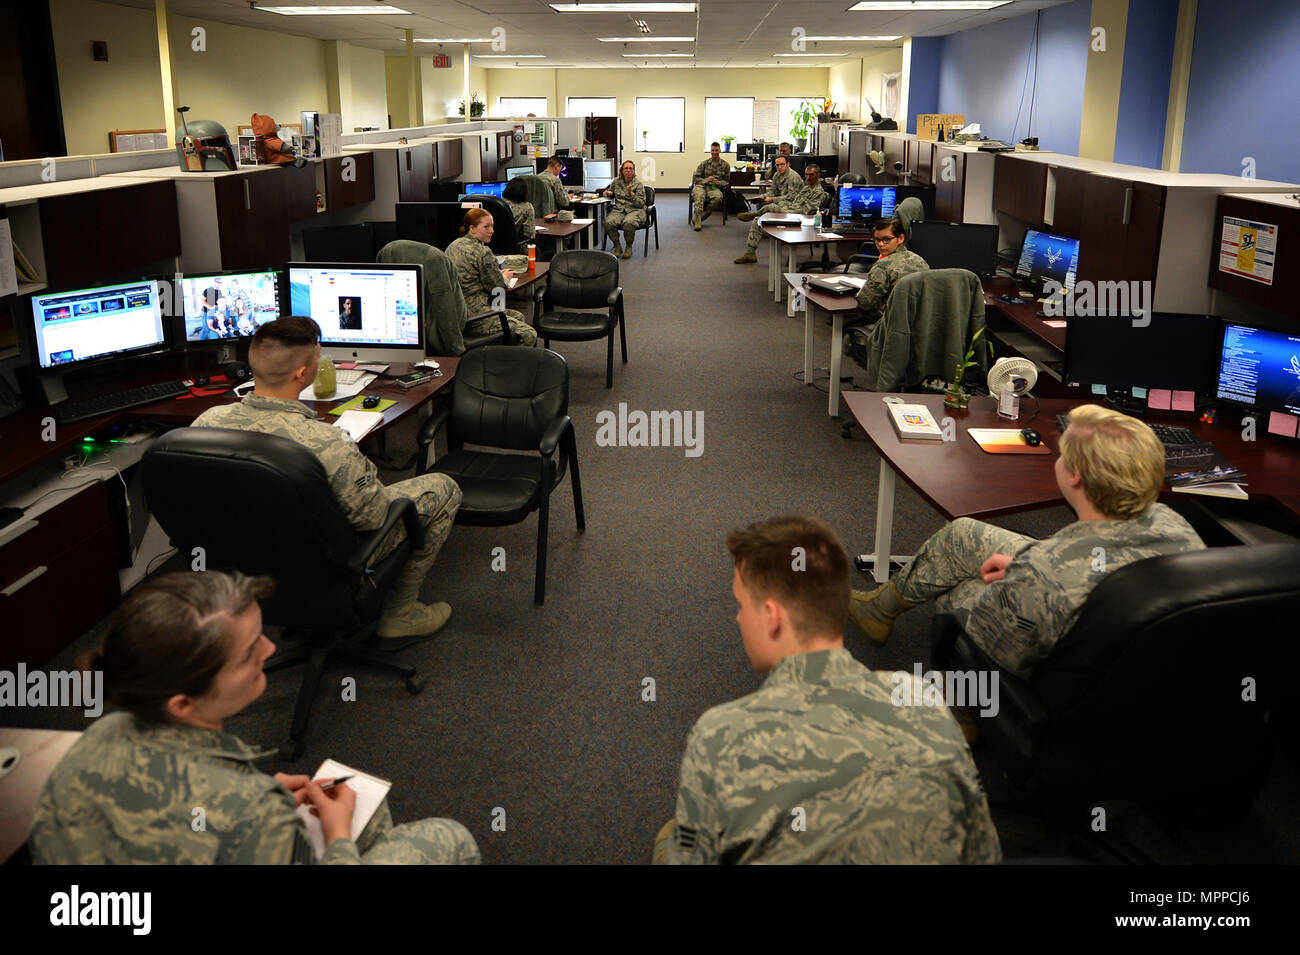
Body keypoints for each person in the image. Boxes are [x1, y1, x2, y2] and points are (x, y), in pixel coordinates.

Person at [27, 571, 481, 865]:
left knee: (374, 814)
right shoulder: (255, 815)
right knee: (449, 837)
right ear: (183, 703)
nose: (270, 651)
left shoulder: (98, 736)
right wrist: (337, 837)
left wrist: (251, 791)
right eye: (249, 654)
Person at [655, 515, 1000, 865]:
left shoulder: (719, 736)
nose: (738, 619)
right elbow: (983, 852)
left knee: (670, 842)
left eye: (742, 605)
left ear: (772, 617)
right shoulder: (926, 702)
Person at [849, 404, 1206, 679]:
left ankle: (968, 711)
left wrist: (1028, 576)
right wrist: (1030, 566)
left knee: (957, 592)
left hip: (1060, 672)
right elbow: (1082, 560)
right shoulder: (1171, 521)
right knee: (964, 534)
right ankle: (879, 610)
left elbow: (1001, 649)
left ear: (1076, 476)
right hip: (1121, 631)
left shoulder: (1044, 573)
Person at [192, 317, 462, 647]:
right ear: (303, 374)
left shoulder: (205, 424)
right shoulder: (327, 442)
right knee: (443, 488)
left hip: (241, 559)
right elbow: (373, 517)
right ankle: (400, 615)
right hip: (323, 563)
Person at [445, 208, 539, 347]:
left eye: (492, 227)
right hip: (476, 317)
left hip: (456, 314)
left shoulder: (452, 246)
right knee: (529, 334)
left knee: (519, 317)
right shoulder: (483, 252)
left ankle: (497, 356)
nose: (492, 231)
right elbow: (498, 288)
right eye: (486, 227)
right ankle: (510, 366)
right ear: (472, 228)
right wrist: (505, 277)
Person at [733, 154, 807, 264]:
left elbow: (792, 197)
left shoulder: (793, 177)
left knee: (770, 206)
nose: (780, 167)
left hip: (793, 207)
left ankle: (754, 214)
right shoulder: (777, 175)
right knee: (757, 220)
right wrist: (762, 197)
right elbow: (772, 191)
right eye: (777, 165)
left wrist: (772, 199)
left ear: (788, 164)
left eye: (782, 164)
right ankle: (750, 253)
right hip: (782, 203)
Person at [602, 160, 646, 259]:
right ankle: (617, 245)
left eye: (631, 169)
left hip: (635, 210)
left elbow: (640, 203)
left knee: (628, 223)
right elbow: (612, 191)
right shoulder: (616, 181)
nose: (628, 171)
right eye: (626, 168)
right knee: (608, 223)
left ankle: (628, 246)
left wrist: (631, 193)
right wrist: (608, 193)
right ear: (622, 170)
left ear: (634, 171)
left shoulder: (638, 184)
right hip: (619, 210)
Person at [690, 141, 731, 231]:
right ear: (710, 151)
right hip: (701, 186)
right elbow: (696, 178)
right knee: (699, 196)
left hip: (714, 188)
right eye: (713, 150)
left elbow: (727, 181)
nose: (714, 152)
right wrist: (706, 180)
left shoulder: (725, 165)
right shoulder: (704, 164)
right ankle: (697, 222)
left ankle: (702, 217)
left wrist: (718, 183)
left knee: (718, 197)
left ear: (720, 150)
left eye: (716, 150)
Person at [501, 177, 536, 251]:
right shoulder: (527, 207)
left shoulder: (499, 203)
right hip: (514, 248)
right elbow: (530, 234)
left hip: (493, 247)